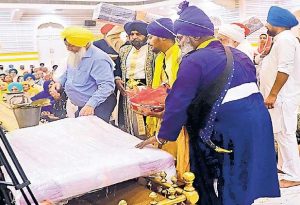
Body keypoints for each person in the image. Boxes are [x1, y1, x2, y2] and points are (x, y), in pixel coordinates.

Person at [136, 3, 280, 205]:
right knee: (242, 179)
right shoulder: (237, 54)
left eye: (181, 37)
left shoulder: (194, 60)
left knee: (216, 179)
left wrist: (162, 136)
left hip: (229, 130)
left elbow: (179, 102)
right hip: (258, 125)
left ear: (195, 37)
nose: (179, 42)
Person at [259, 6, 300, 188]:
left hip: (282, 97)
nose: (266, 25)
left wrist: (273, 94)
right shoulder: (282, 39)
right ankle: (284, 167)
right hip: (280, 97)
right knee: (282, 133)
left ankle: (295, 175)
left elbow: (285, 69)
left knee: (286, 133)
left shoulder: (285, 40)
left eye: (268, 21)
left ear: (276, 23)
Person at [145, 18, 189, 179]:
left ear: (163, 37)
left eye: (151, 37)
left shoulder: (179, 56)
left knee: (179, 155)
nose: (149, 42)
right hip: (166, 110)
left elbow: (181, 90)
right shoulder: (160, 58)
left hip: (178, 114)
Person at [55, 26, 116, 123]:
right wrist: (59, 83)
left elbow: (107, 86)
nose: (68, 49)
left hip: (98, 105)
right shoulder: (76, 54)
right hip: (83, 104)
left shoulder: (98, 59)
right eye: (66, 45)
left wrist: (91, 105)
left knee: (95, 134)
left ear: (84, 45)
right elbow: (69, 73)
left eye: (71, 45)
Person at [116, 20, 155, 137]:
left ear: (146, 36)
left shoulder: (152, 50)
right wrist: (117, 79)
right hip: (127, 91)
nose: (134, 37)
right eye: (132, 34)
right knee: (129, 122)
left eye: (138, 34)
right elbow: (117, 67)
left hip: (147, 91)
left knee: (145, 122)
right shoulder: (124, 50)